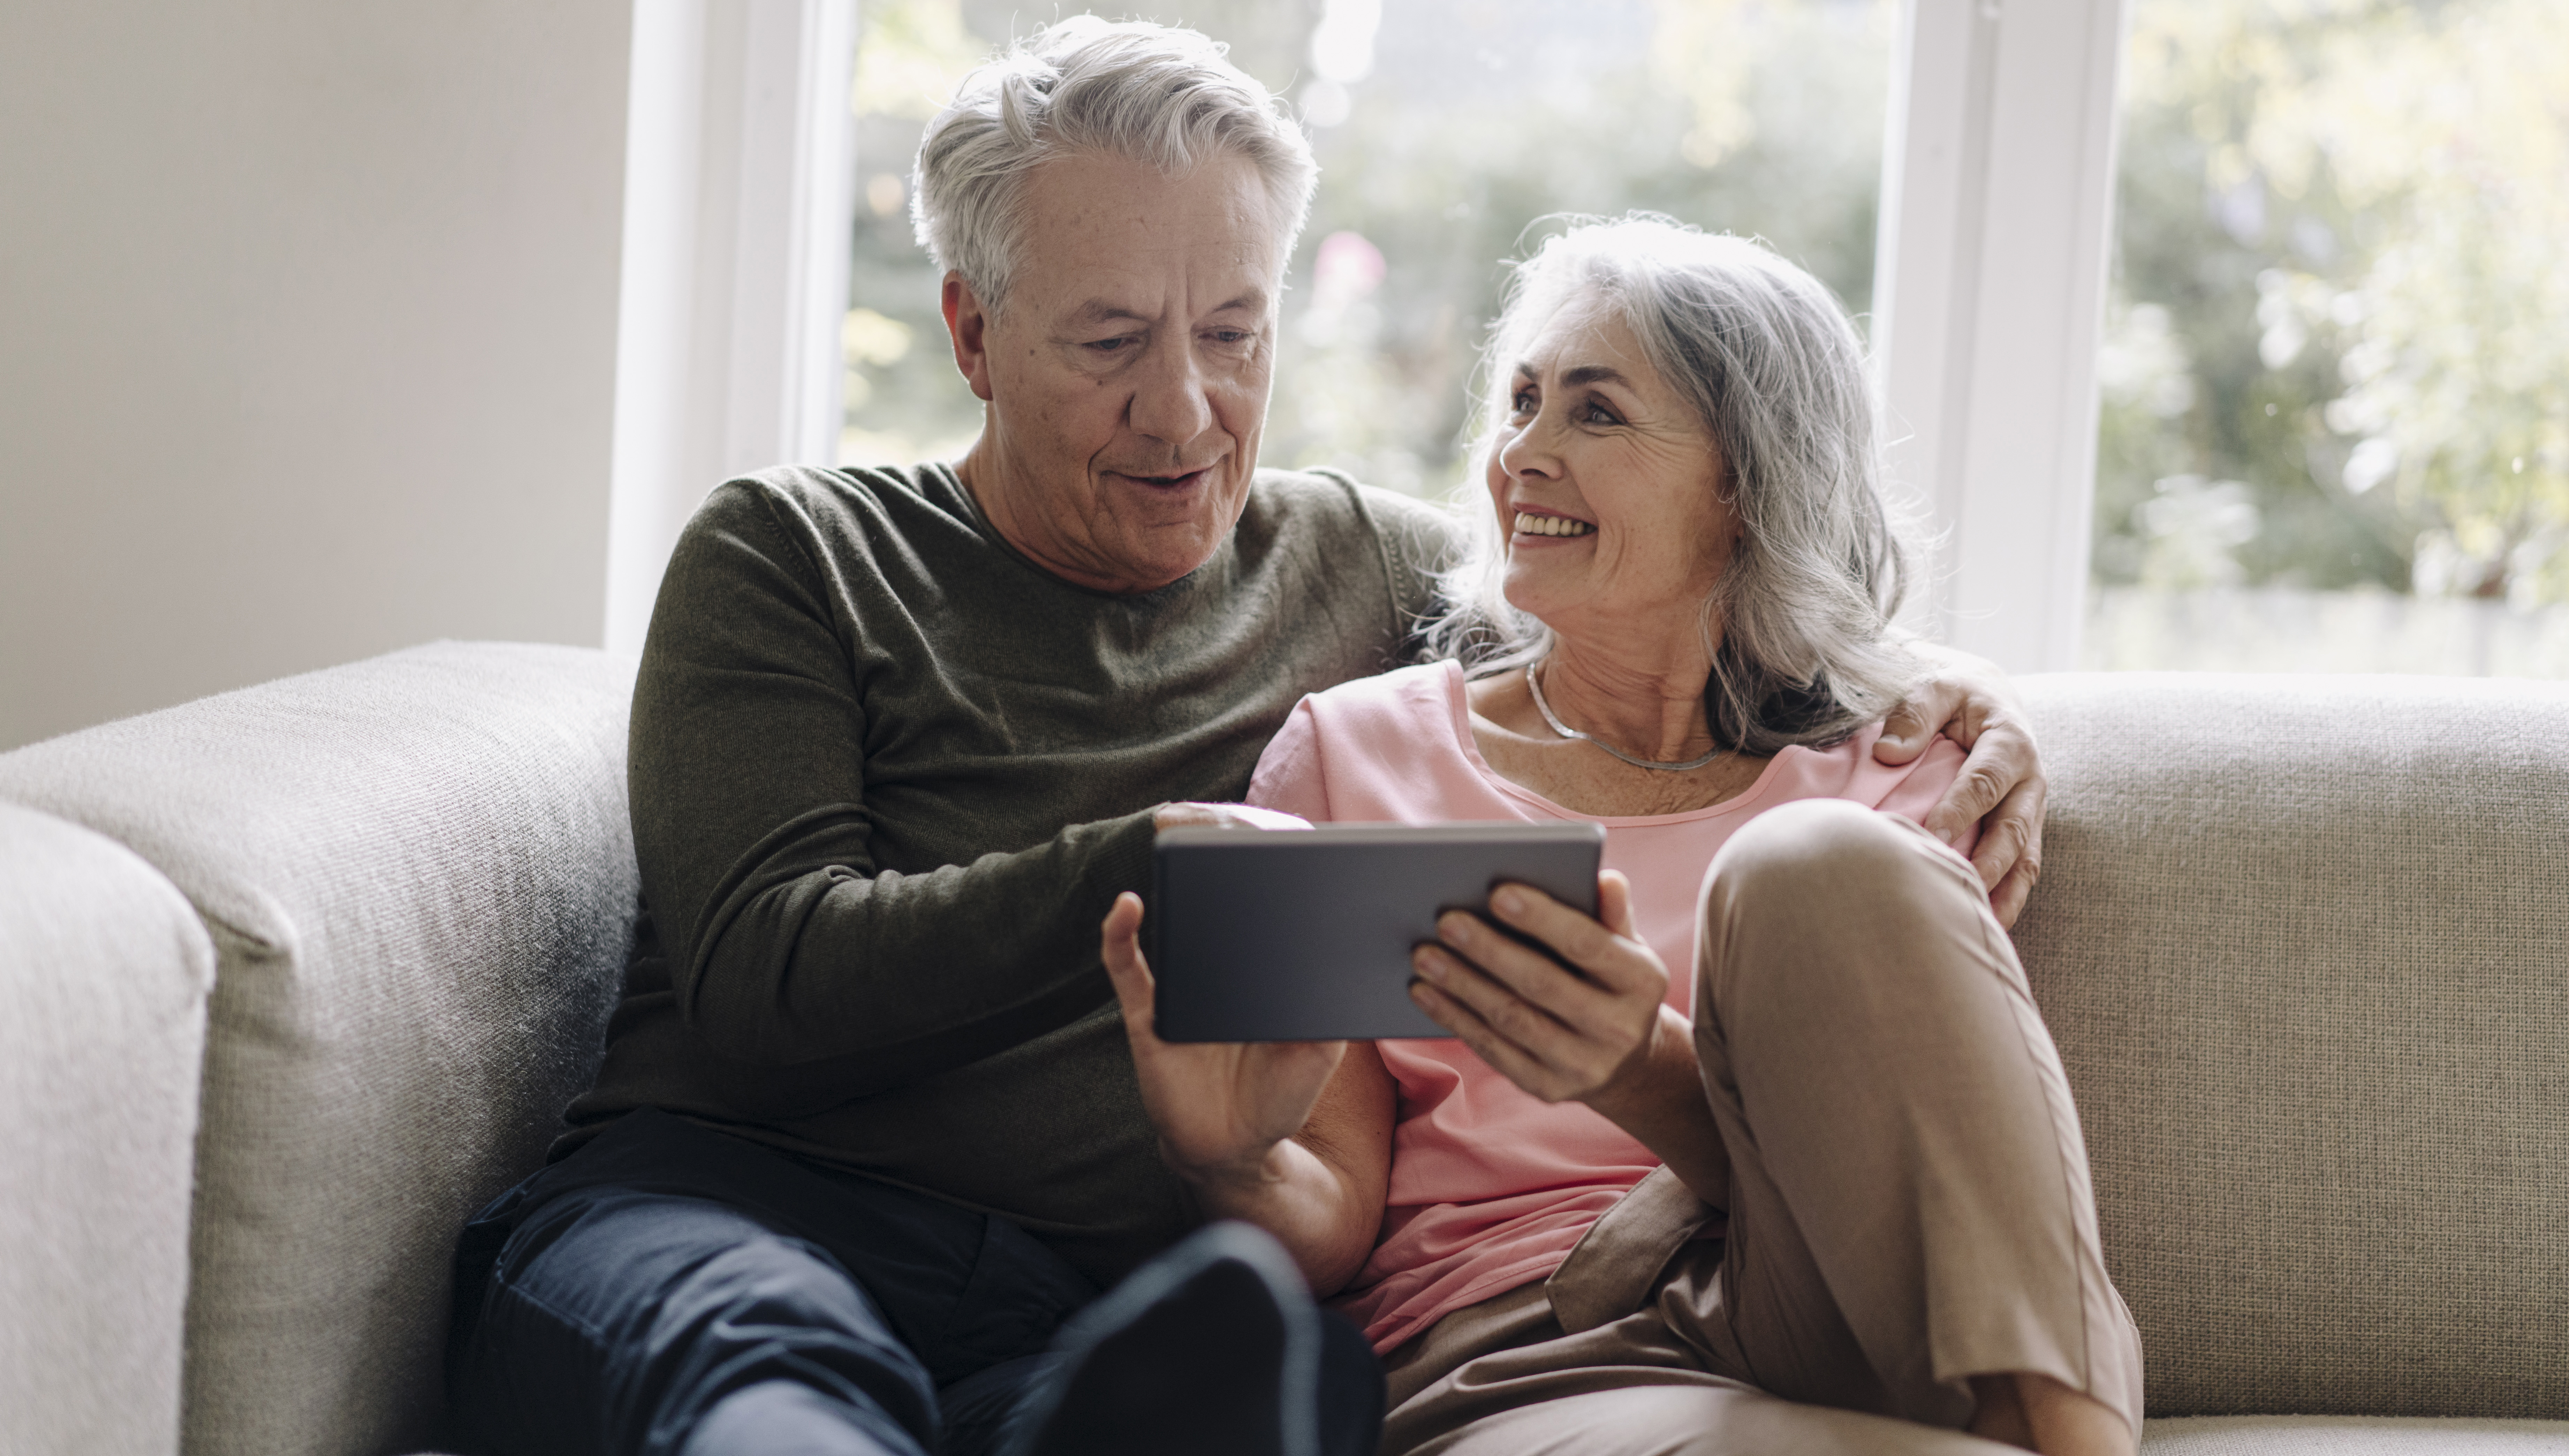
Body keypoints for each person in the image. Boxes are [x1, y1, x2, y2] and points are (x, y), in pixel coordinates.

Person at [443, 19, 2054, 1456]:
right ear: (970, 333)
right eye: (1108, 342)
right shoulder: (797, 555)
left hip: (1097, 1298)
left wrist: (1943, 691)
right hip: (735, 1210)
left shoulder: (1355, 565)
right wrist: (1153, 875)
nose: (1185, 411)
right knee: (767, 1365)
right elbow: (764, 989)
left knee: (1264, 1377)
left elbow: (1657, 566)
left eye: (1229, 332)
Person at [1100, 217, 2140, 1456]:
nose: (1521, 455)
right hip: (1544, 1339)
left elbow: (1935, 1189)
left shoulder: (1909, 775)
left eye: (1595, 415)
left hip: (1848, 1305)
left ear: (1747, 479)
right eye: (1524, 401)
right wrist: (1226, 1162)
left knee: (1818, 859)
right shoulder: (1359, 756)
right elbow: (1328, 1225)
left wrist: (1637, 1066)